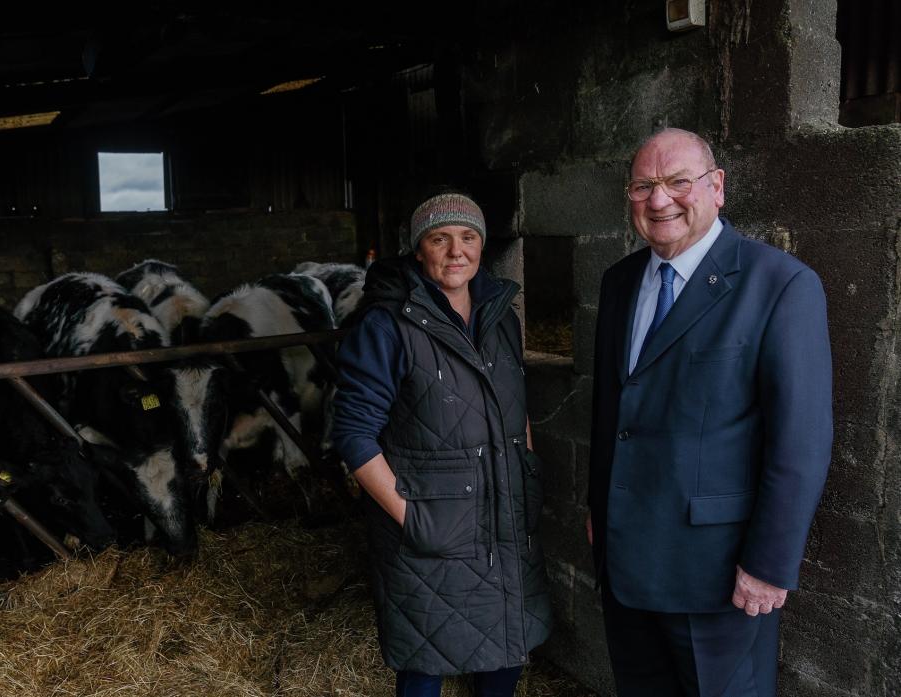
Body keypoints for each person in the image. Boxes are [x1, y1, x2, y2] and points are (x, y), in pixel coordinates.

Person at [586, 128, 832, 696]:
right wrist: (598, 504)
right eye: (643, 186)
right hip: (626, 563)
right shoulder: (620, 282)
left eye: (677, 182)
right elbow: (612, 412)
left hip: (718, 577)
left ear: (717, 187)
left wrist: (770, 563)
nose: (659, 199)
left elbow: (802, 439)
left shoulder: (780, 284)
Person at [332, 191, 553, 696]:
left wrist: (527, 471)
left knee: (505, 652)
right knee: (425, 658)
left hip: (504, 516)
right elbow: (352, 433)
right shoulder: (386, 324)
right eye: (440, 238)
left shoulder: (502, 318)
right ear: (419, 250)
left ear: (481, 247)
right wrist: (412, 517)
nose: (457, 251)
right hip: (430, 523)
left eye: (468, 237)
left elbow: (516, 408)